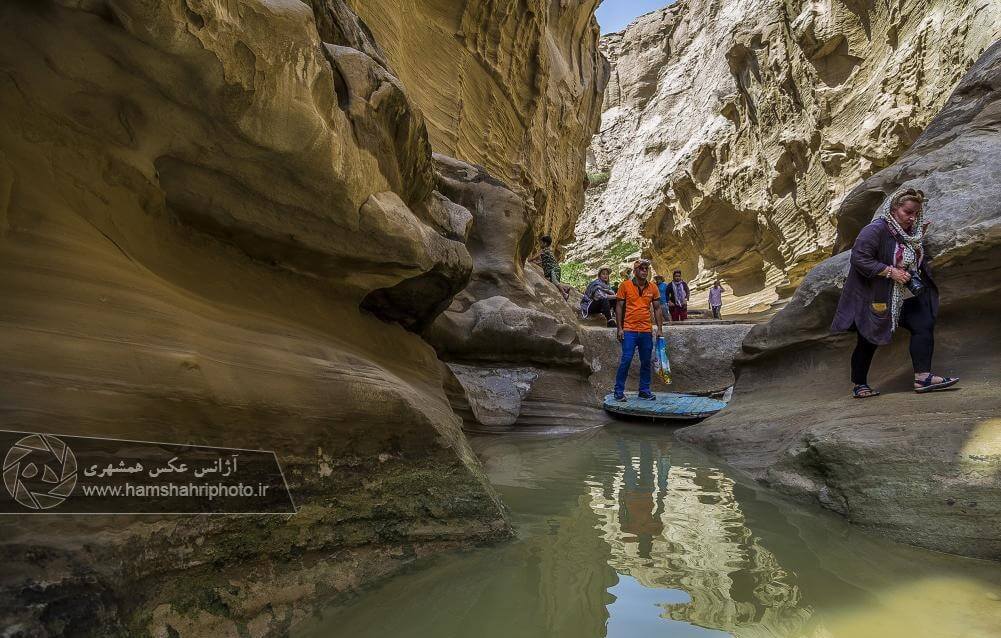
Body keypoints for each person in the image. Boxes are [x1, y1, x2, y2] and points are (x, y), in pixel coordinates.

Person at [831, 187, 958, 398]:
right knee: (869, 338)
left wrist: (916, 239)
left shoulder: (909, 232)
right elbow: (860, 259)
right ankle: (860, 385)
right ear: (894, 208)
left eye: (916, 213)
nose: (912, 218)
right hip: (877, 296)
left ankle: (922, 377)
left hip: (904, 296)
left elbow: (907, 256)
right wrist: (891, 272)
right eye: (908, 212)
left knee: (923, 324)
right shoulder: (875, 230)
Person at [613, 259, 665, 401]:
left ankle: (644, 390)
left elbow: (657, 308)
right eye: (641, 269)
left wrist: (660, 328)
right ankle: (618, 391)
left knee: (646, 361)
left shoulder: (653, 287)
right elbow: (619, 307)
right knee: (626, 359)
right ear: (635, 271)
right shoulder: (625, 286)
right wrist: (619, 328)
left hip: (646, 331)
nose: (644, 271)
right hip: (629, 329)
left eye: (646, 269)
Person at [530, 235, 571, 301]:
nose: (540, 244)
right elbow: (543, 261)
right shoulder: (549, 251)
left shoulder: (543, 251)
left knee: (554, 281)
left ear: (545, 243)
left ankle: (564, 294)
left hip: (553, 269)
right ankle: (565, 288)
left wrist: (529, 260)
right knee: (552, 281)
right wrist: (536, 262)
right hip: (556, 268)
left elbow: (533, 258)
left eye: (541, 243)